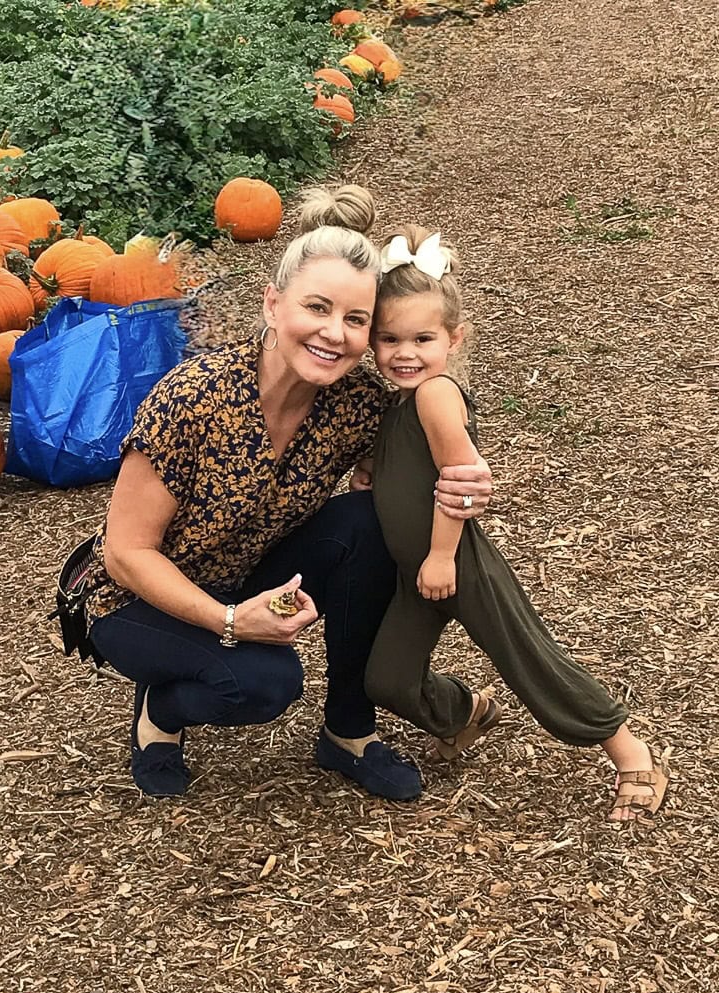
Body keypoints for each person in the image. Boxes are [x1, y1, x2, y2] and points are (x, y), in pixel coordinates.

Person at [82, 186, 492, 802]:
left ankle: (348, 731)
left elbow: (425, 442)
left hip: (246, 573)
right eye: (317, 308)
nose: (335, 333)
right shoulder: (195, 397)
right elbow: (125, 553)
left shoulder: (355, 405)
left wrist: (465, 474)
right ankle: (161, 714)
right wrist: (228, 621)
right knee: (263, 684)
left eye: (356, 321)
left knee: (364, 522)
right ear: (274, 305)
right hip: (132, 596)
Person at [362, 226, 669, 821]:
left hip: (457, 564)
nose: (404, 352)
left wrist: (443, 557)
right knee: (388, 679)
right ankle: (463, 713)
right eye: (389, 338)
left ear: (454, 339)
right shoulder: (402, 401)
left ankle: (630, 749)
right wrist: (374, 469)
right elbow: (414, 465)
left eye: (422, 338)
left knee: (529, 660)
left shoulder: (435, 394)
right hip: (416, 573)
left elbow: (459, 477)